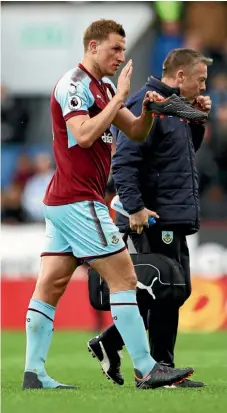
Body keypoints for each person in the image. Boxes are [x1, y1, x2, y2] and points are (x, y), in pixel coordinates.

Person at [22, 20, 194, 390]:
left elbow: (135, 131)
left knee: (50, 285)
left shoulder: (104, 87)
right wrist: (119, 98)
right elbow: (83, 136)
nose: (121, 56)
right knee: (125, 279)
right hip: (79, 201)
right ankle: (147, 368)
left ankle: (33, 373)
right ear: (93, 46)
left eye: (123, 49)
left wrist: (147, 109)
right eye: (115, 48)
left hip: (63, 199)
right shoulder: (75, 84)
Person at [87, 48, 212, 388]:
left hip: (172, 214)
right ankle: (160, 368)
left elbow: (181, 155)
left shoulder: (178, 109)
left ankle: (110, 343)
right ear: (181, 76)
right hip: (152, 216)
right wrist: (136, 207)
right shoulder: (148, 104)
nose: (203, 87)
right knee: (165, 289)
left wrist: (198, 121)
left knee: (175, 290)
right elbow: (124, 161)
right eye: (200, 80)